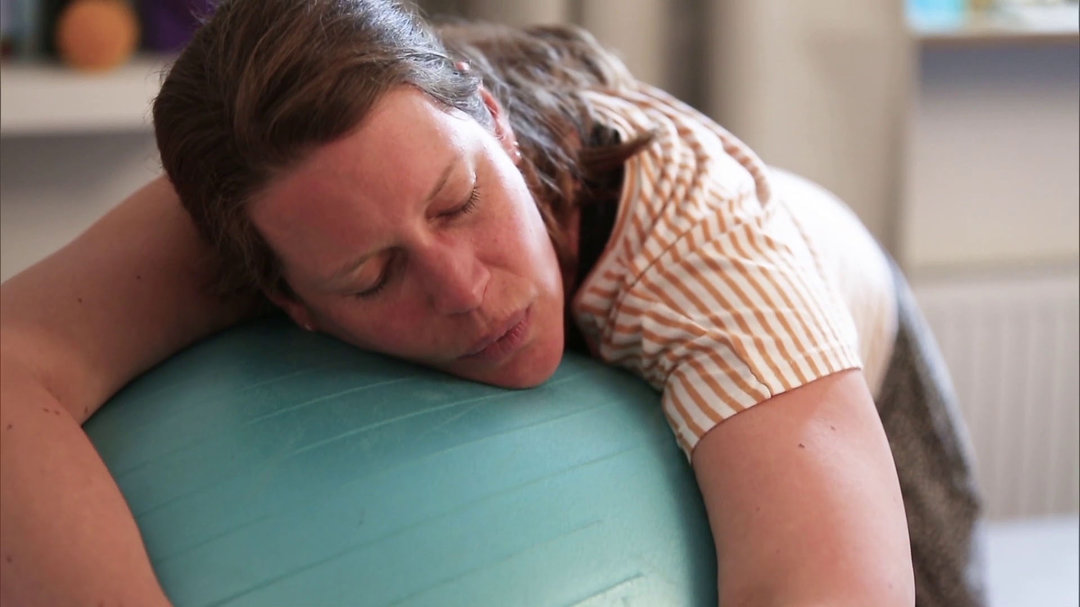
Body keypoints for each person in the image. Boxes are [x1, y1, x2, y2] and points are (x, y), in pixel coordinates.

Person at [0, 0, 985, 605]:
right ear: (284, 296)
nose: (464, 292)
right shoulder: (280, 197)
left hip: (852, 331)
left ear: (497, 128)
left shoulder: (707, 244)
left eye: (460, 204)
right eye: (372, 276)